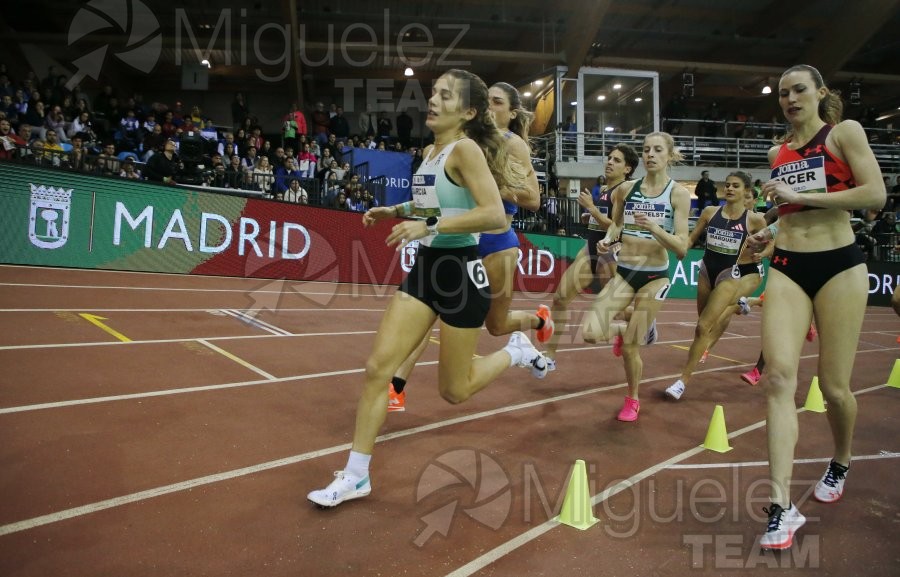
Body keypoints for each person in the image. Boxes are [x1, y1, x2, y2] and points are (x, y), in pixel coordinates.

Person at [307, 69, 548, 508]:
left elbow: (495, 214)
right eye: (433, 93)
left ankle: (514, 350)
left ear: (468, 111)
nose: (433, 100)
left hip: (461, 274)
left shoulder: (467, 149)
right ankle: (357, 474)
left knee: (454, 391)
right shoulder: (431, 150)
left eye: (445, 95)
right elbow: (428, 202)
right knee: (378, 369)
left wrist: (429, 224)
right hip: (426, 271)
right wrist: (394, 209)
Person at [745, 64, 885, 550]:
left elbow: (875, 195)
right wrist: (768, 227)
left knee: (835, 386)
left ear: (820, 93)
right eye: (782, 93)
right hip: (786, 265)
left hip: (840, 267)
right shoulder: (776, 152)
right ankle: (781, 509)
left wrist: (799, 194)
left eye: (799, 89)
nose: (789, 98)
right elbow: (790, 210)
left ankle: (841, 459)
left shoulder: (844, 133)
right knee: (780, 377)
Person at [386, 81, 549, 412]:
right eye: (485, 100)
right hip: (455, 238)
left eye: (497, 101)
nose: (489, 106)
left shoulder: (513, 144)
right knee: (429, 312)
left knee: (496, 325)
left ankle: (538, 322)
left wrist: (490, 185)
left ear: (511, 112)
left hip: (495, 241)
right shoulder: (461, 140)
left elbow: (533, 199)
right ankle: (396, 386)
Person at [581, 132, 691, 421]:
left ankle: (633, 399)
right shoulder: (627, 189)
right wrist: (608, 240)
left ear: (669, 155)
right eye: (646, 150)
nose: (650, 155)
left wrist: (655, 228)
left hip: (655, 277)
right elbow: (616, 225)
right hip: (626, 272)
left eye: (657, 150)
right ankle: (635, 330)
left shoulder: (677, 194)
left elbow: (682, 247)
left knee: (631, 347)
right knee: (590, 332)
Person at [664, 171, 767, 400]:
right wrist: (682, 248)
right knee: (703, 327)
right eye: (728, 185)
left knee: (702, 327)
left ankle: (682, 381)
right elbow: (691, 239)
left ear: (746, 192)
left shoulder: (755, 220)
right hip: (705, 271)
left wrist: (763, 253)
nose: (729, 189)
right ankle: (738, 311)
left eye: (735, 186)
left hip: (730, 276)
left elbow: (774, 241)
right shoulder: (710, 212)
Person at [542, 144, 640, 370]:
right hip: (591, 250)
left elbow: (619, 227)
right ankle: (550, 356)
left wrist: (592, 210)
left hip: (612, 256)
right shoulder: (605, 189)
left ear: (627, 168)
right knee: (559, 298)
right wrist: (591, 218)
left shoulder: (625, 190)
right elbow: (604, 222)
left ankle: (639, 327)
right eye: (609, 158)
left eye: (616, 160)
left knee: (621, 311)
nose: (609, 162)